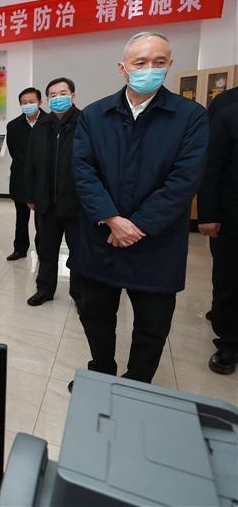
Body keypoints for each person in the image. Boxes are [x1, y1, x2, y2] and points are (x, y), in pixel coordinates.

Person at [71, 31, 207, 389]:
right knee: (95, 313)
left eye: (158, 62)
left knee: (152, 322)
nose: (150, 69)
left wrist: (138, 225)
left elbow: (184, 179)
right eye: (140, 62)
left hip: (156, 242)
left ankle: (136, 383)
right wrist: (113, 219)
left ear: (170, 66)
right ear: (123, 68)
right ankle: (101, 370)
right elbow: (83, 171)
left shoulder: (189, 116)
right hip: (101, 236)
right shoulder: (95, 115)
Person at [24, 78, 83, 309]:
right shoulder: (42, 125)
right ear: (47, 99)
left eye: (63, 93)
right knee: (46, 249)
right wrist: (30, 196)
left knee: (78, 251)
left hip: (75, 202)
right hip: (45, 202)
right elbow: (30, 163)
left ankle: (79, 293)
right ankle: (44, 289)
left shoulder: (84, 122)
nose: (58, 98)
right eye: (53, 95)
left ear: (73, 95)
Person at [198, 86, 238, 374]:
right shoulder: (228, 106)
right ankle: (228, 342)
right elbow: (211, 166)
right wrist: (208, 214)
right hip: (232, 213)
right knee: (229, 279)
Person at [5, 87, 46, 261]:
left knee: (42, 220)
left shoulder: (49, 122)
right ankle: (20, 248)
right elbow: (14, 151)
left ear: (40, 102)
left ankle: (42, 250)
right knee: (21, 218)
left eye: (31, 102)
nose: (28, 105)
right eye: (24, 103)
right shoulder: (13, 125)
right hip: (20, 178)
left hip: (43, 180)